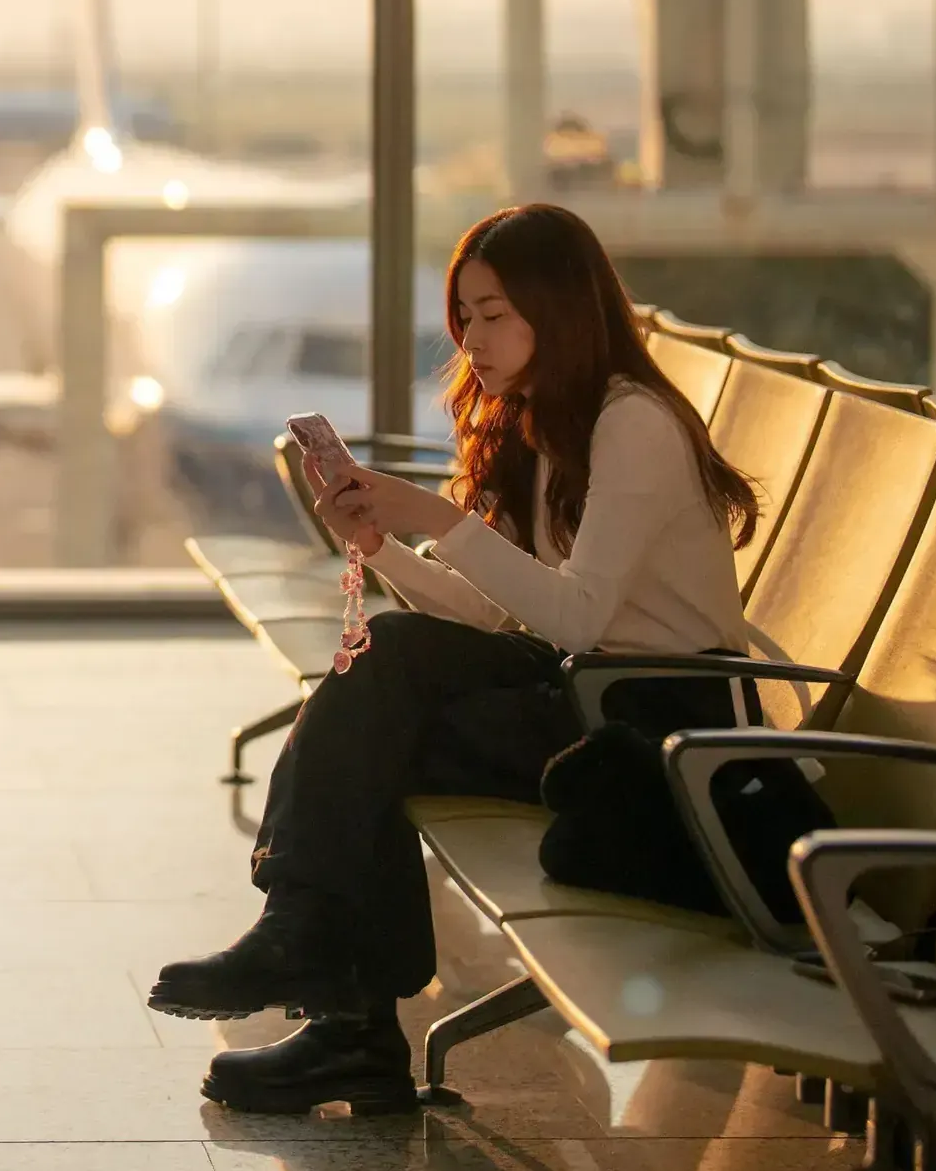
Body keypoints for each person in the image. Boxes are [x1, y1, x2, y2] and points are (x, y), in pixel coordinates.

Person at [149, 202, 760, 1116]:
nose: (472, 336)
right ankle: (329, 987)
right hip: (581, 692)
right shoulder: (538, 423)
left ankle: (329, 989)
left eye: (494, 313)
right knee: (379, 707)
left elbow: (580, 617)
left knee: (376, 722)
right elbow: (492, 608)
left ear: (558, 309)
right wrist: (384, 546)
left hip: (658, 722)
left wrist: (438, 519)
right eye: (465, 316)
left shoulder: (632, 425)